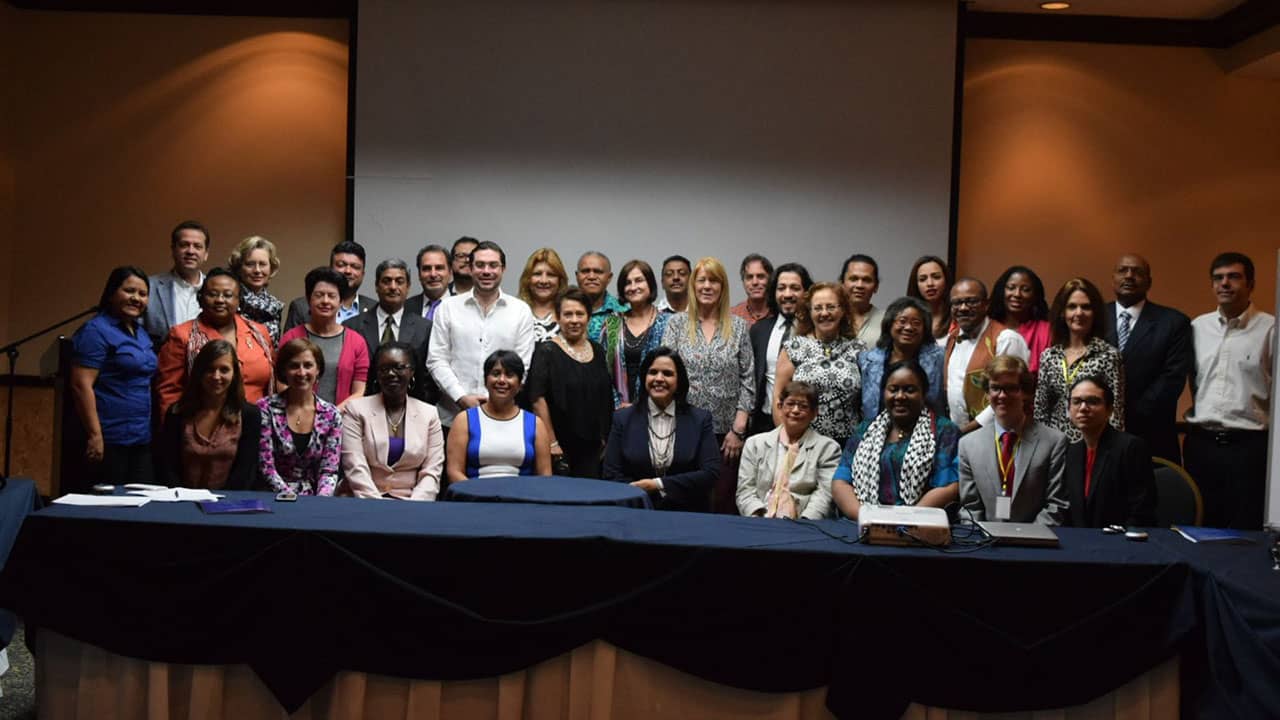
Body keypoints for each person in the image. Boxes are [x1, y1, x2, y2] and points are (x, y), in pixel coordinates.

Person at [1184, 252, 1275, 530]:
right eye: (1218, 278)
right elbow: (1193, 381)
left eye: (1233, 277)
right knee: (1201, 525)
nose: (1225, 284)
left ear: (1251, 284)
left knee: (1245, 531)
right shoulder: (1197, 327)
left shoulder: (1271, 328)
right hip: (1201, 445)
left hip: (1249, 448)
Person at [661, 256, 754, 513]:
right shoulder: (676, 324)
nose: (707, 286)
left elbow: (748, 379)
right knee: (684, 499)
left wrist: (738, 429)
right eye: (701, 280)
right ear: (693, 285)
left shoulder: (738, 327)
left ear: (722, 287)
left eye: (714, 280)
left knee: (721, 502)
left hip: (726, 436)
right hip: (682, 428)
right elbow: (664, 375)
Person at [427, 240, 536, 429]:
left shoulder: (521, 311)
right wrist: (461, 397)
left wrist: (495, 401)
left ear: (503, 269)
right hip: (452, 417)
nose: (486, 271)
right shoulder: (447, 308)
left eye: (493, 265)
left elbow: (522, 365)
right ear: (470, 268)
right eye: (480, 265)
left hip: (503, 418)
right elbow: (436, 359)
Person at [832, 360, 959, 520]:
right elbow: (841, 482)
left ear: (924, 393)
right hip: (861, 525)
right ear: (884, 392)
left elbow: (949, 487)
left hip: (919, 526)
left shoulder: (944, 431)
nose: (900, 396)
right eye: (893, 389)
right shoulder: (865, 429)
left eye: (909, 390)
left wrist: (902, 522)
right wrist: (866, 519)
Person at [69, 266, 158, 492]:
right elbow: (81, 385)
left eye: (142, 294)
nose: (136, 298)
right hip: (109, 437)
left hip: (140, 438)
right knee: (108, 512)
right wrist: (95, 435)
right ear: (112, 293)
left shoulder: (141, 333)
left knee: (141, 507)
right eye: (129, 291)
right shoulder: (95, 330)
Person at [1100, 254, 1192, 464]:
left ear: (1149, 282)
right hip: (1099, 432)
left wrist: (1124, 414)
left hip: (1152, 435)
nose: (1129, 276)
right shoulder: (1093, 318)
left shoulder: (1174, 322)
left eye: (1138, 272)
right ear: (1113, 278)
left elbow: (1172, 379)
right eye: (1123, 270)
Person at [603, 347, 719, 512]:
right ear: (644, 378)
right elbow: (611, 474)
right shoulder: (623, 419)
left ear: (679, 381)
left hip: (688, 513)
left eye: (667, 373)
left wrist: (658, 485)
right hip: (636, 511)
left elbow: (711, 473)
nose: (659, 378)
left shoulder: (700, 419)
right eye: (653, 372)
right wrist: (640, 494)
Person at [959, 355, 1068, 524]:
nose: (1002, 396)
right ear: (987, 394)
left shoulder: (1054, 442)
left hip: (1036, 543)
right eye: (995, 388)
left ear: (1025, 392)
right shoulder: (968, 445)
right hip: (986, 544)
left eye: (1010, 388)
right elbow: (970, 507)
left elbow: (1056, 506)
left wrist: (1025, 541)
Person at [154, 268, 274, 418]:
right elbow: (169, 393)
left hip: (260, 427)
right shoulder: (182, 335)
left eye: (228, 295)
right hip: (204, 427)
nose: (220, 300)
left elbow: (273, 383)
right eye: (212, 294)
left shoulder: (259, 333)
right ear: (201, 298)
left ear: (239, 301)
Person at [343, 342, 446, 499]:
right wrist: (376, 505)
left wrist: (413, 508)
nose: (391, 373)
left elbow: (432, 471)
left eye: (398, 367)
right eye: (384, 369)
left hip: (412, 502)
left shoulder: (429, 414)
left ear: (411, 371)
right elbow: (354, 465)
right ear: (376, 374)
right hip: (363, 501)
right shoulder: (356, 410)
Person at [154, 340, 262, 490]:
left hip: (229, 504)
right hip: (180, 502)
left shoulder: (250, 415)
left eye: (224, 370)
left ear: (234, 374)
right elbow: (167, 467)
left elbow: (245, 472)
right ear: (199, 372)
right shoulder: (177, 412)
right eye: (209, 369)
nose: (216, 376)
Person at [527, 289, 613, 477]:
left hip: (593, 448)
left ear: (588, 317)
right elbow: (537, 399)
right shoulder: (546, 351)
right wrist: (551, 442)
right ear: (558, 318)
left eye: (580, 314)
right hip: (559, 449)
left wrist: (605, 438)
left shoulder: (598, 350)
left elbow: (604, 397)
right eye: (568, 314)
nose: (574, 320)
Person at [772, 282, 864, 448]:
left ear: (843, 310)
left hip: (848, 445)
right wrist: (787, 441)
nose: (824, 313)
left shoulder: (858, 349)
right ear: (809, 312)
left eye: (831, 307)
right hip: (802, 443)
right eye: (818, 308)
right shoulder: (794, 348)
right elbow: (779, 398)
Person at [1033, 277, 1124, 443]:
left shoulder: (1108, 355)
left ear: (1095, 313)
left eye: (1086, 307)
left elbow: (1115, 412)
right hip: (1054, 447)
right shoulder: (1049, 356)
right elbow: (1041, 411)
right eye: (1072, 306)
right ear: (1062, 312)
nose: (1079, 313)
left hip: (1093, 445)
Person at [1064, 375, 1156, 528]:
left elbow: (1142, 511)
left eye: (1093, 401)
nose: (1083, 408)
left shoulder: (1131, 447)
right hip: (1079, 542)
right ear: (1069, 409)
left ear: (1110, 410)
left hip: (1120, 542)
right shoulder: (1072, 452)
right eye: (1076, 401)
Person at [736, 381, 838, 519]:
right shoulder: (754, 444)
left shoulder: (828, 449)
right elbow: (745, 491)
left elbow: (824, 495)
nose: (795, 410)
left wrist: (805, 523)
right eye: (790, 404)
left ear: (814, 413)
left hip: (805, 525)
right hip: (759, 521)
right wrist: (757, 517)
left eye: (803, 406)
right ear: (780, 407)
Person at [446, 350, 551, 481]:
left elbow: (545, 477)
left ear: (520, 385)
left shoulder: (535, 424)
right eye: (495, 374)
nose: (502, 380)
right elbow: (454, 472)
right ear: (485, 380)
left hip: (522, 498)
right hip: (474, 497)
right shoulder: (464, 420)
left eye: (509, 375)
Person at [943, 278, 1029, 433]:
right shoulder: (952, 339)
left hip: (999, 435)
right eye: (957, 303)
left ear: (986, 305)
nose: (963, 308)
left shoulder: (1006, 339)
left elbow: (1010, 395)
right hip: (958, 436)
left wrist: (969, 430)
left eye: (971, 301)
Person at [257, 338, 342, 496]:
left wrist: (320, 501)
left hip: (315, 501)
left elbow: (329, 470)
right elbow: (266, 467)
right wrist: (290, 499)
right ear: (283, 371)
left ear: (318, 370)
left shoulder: (332, 415)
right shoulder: (265, 409)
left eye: (308, 365)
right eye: (294, 366)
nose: (302, 373)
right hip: (272, 496)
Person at [343, 258, 433, 402]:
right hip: (363, 408)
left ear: (408, 287)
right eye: (386, 281)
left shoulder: (424, 328)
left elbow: (428, 378)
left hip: (410, 409)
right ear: (376, 286)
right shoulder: (352, 326)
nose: (393, 286)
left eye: (399, 281)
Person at [279, 267, 370, 409]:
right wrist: (307, 413)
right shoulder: (291, 337)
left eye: (332, 296)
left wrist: (330, 416)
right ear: (309, 299)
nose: (325, 301)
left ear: (341, 301)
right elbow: (282, 384)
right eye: (319, 295)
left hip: (342, 422)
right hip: (296, 418)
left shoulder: (357, 342)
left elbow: (359, 391)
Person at [749, 263, 813, 434]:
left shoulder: (815, 332)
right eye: (781, 288)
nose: (787, 294)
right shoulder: (758, 331)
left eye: (795, 288)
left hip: (804, 423)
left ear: (807, 293)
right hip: (763, 422)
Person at [597, 259, 672, 407]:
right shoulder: (612, 324)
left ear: (650, 284)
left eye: (639, 280)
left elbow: (676, 371)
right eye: (627, 282)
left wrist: (646, 405)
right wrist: (618, 404)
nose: (633, 287)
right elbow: (602, 371)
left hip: (659, 408)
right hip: (619, 412)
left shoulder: (668, 323)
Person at [857, 297, 944, 421]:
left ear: (925, 328)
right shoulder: (867, 361)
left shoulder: (940, 359)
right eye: (902, 321)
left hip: (928, 431)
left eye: (916, 323)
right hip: (877, 433)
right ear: (889, 324)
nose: (908, 327)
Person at [144, 220, 210, 348]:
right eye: (184, 245)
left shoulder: (216, 290)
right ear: (173, 249)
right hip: (162, 365)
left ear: (206, 253)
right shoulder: (149, 287)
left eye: (197, 246)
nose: (191, 251)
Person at [283, 241, 375, 332]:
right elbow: (291, 345)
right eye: (341, 265)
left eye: (355, 267)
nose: (348, 271)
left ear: (363, 274)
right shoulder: (301, 307)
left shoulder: (374, 308)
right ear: (330, 268)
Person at [988, 265, 1052, 374]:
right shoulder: (988, 327)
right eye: (1011, 288)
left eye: (1025, 290)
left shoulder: (1047, 331)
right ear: (1001, 291)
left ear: (1035, 295)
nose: (1017, 294)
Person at [227, 235, 284, 346]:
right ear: (239, 267)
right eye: (250, 264)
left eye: (262, 264)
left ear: (271, 268)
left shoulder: (274, 306)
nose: (257, 270)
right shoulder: (229, 300)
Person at [517, 247, 570, 341]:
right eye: (537, 274)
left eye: (551, 275)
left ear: (560, 280)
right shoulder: (515, 312)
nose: (543, 280)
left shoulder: (570, 314)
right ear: (528, 278)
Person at [577, 251, 628, 339]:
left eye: (598, 272)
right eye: (585, 271)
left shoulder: (624, 312)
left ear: (609, 277)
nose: (591, 277)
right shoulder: (564, 310)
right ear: (577, 276)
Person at [839, 253, 886, 347]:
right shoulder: (830, 317)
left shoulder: (887, 320)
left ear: (876, 287)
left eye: (867, 280)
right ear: (842, 284)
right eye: (853, 279)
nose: (859, 285)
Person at [906, 255, 952, 341]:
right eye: (923, 279)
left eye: (936, 277)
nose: (930, 283)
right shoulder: (906, 318)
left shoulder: (957, 315)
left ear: (946, 280)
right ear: (916, 285)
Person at [405, 243, 451, 321]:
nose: (433, 274)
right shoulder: (405, 308)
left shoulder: (463, 307)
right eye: (426, 269)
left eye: (439, 268)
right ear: (419, 274)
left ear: (450, 272)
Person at [730, 253, 773, 327]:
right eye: (749, 277)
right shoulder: (732, 316)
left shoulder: (781, 315)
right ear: (743, 281)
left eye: (760, 276)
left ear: (771, 279)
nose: (755, 282)